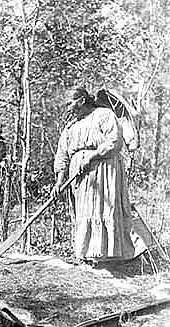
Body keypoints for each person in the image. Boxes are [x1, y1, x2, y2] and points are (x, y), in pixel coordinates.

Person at [51, 87, 135, 265]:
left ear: (81, 100)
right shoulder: (71, 126)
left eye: (70, 103)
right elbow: (62, 155)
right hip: (80, 175)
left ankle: (108, 258)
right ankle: (89, 257)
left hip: (103, 170)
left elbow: (115, 141)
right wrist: (59, 181)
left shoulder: (104, 115)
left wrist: (92, 156)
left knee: (102, 208)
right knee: (84, 212)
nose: (68, 108)